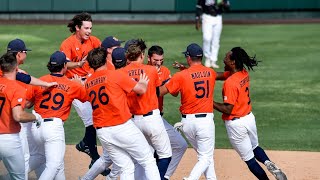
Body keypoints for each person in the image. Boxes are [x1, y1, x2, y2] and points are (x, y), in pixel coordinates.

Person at [85, 47, 160, 180]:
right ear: (105, 61)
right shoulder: (115, 75)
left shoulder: (88, 83)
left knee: (126, 167)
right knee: (148, 160)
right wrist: (143, 82)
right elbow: (141, 90)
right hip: (121, 127)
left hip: (103, 132)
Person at [213, 47, 287, 180]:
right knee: (255, 147)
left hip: (236, 125)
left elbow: (227, 109)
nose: (223, 60)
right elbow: (216, 75)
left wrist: (208, 101)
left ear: (233, 62)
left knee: (249, 160)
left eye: (226, 58)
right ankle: (268, 162)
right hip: (249, 119)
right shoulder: (243, 73)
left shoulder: (230, 83)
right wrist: (193, 73)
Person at [25, 51, 89, 180]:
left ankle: (13, 174)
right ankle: (14, 174)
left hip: (35, 127)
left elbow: (27, 104)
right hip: (53, 129)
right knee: (53, 164)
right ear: (65, 66)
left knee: (50, 161)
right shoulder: (72, 85)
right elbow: (87, 98)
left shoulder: (40, 81)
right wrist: (80, 85)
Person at [159, 43, 218, 180]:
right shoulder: (211, 73)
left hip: (187, 124)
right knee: (206, 156)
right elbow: (198, 76)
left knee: (206, 157)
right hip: (205, 123)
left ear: (188, 57)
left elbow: (162, 92)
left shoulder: (181, 76)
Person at [6, 38, 58, 180]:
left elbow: (27, 79)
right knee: (24, 157)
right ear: (18, 54)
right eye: (25, 52)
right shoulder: (13, 74)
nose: (26, 55)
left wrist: (44, 84)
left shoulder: (8, 69)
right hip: (11, 123)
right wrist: (45, 86)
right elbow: (26, 102)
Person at [122, 39, 172, 180]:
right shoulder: (151, 70)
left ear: (127, 56)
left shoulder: (121, 73)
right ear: (143, 55)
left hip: (132, 122)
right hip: (152, 120)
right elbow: (158, 90)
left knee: (140, 159)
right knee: (165, 155)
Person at [59, 12, 101, 167]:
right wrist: (78, 65)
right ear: (77, 28)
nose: (89, 31)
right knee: (91, 121)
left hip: (91, 83)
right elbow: (64, 63)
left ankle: (86, 145)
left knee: (96, 119)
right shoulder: (67, 43)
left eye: (90, 28)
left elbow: (102, 58)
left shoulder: (94, 41)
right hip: (75, 85)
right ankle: (95, 157)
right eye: (86, 28)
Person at [147, 45, 188, 180]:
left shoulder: (164, 71)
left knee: (180, 145)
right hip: (143, 118)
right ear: (148, 58)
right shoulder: (144, 71)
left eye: (161, 60)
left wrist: (180, 76)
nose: (159, 63)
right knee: (149, 154)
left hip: (158, 118)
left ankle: (164, 176)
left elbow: (175, 93)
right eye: (155, 60)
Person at [0, 52, 41, 180]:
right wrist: (36, 118)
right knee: (19, 177)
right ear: (16, 68)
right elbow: (18, 116)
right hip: (8, 139)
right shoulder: (17, 88)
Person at [195, 0, 230, 68]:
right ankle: (207, 58)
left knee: (216, 40)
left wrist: (224, 4)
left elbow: (228, 8)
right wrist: (197, 19)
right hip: (206, 17)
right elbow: (199, 7)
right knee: (207, 38)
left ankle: (213, 60)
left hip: (218, 17)